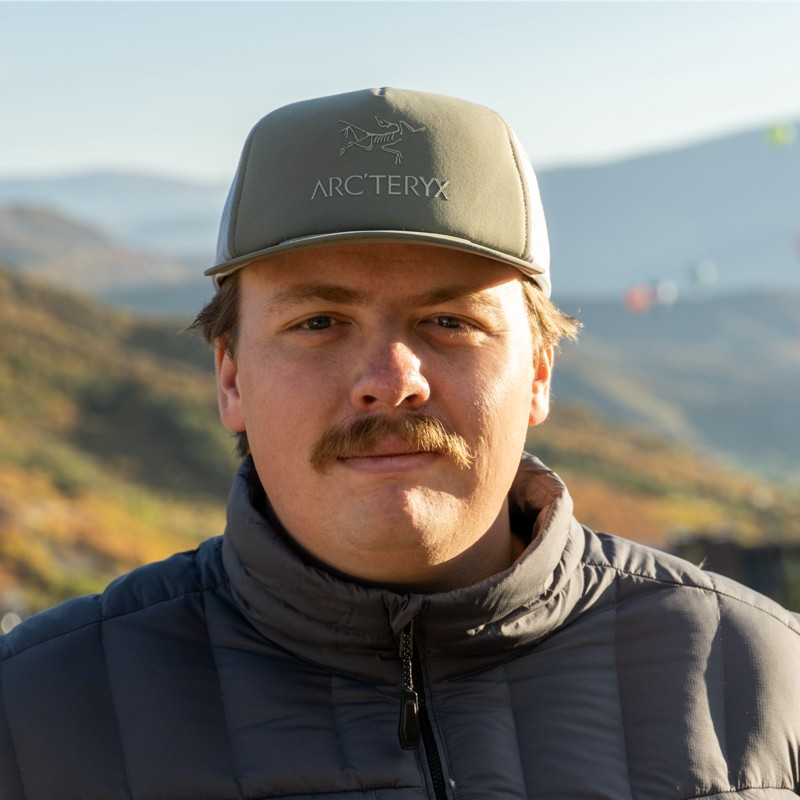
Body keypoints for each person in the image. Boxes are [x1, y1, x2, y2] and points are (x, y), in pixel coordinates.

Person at [1, 87, 798, 799]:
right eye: (319, 322)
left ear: (539, 373)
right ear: (231, 378)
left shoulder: (764, 678)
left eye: (450, 321)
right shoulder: (32, 718)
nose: (390, 381)